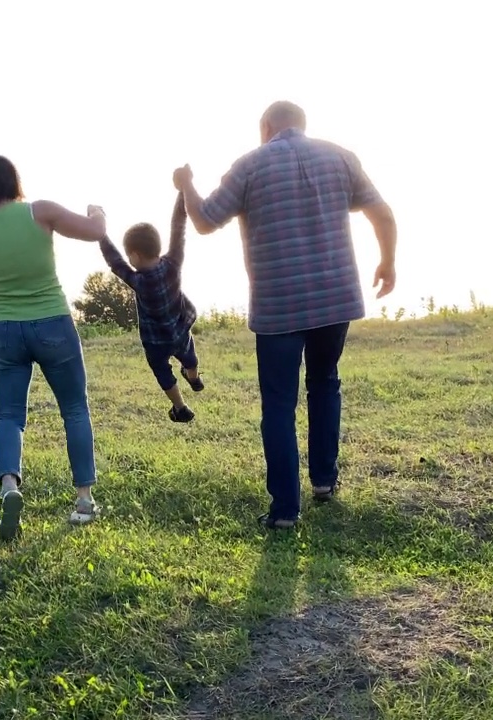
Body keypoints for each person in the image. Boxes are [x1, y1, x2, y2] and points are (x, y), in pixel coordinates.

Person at [171, 100, 398, 530]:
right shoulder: (341, 157)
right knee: (325, 382)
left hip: (279, 304)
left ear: (266, 126)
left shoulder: (250, 166)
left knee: (278, 403)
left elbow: (203, 221)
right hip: (335, 299)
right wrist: (387, 262)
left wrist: (186, 184)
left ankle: (284, 511)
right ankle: (325, 482)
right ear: (303, 124)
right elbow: (381, 212)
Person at [0, 154, 108, 542]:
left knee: (9, 415)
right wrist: (98, 211)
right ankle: (83, 502)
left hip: (4, 328)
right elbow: (95, 232)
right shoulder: (39, 212)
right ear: (14, 181)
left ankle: (9, 484)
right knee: (74, 409)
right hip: (52, 323)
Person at [96, 192, 205, 423]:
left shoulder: (139, 281)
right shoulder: (173, 263)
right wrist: (181, 193)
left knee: (162, 371)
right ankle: (194, 378)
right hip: (179, 331)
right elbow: (178, 227)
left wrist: (100, 231)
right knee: (189, 355)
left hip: (156, 342)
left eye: (129, 256)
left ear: (134, 256)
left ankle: (180, 407)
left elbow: (114, 261)